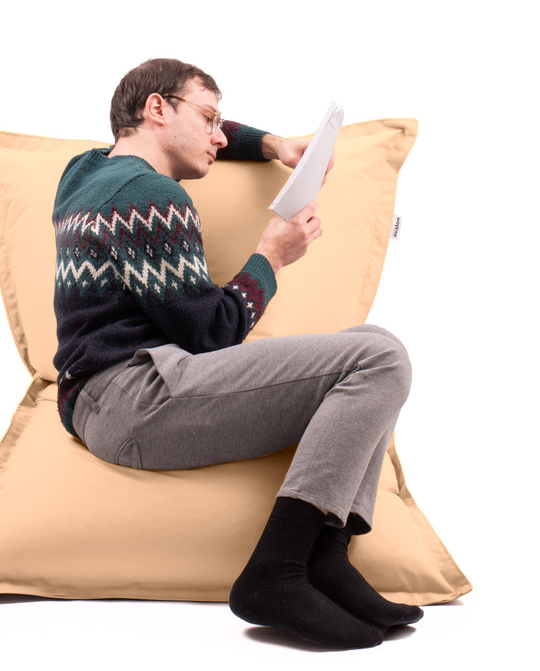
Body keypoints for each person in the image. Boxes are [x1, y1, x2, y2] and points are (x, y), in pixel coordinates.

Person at [52, 58, 423, 649]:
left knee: (374, 342)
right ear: (156, 108)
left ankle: (326, 559)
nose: (220, 136)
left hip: (104, 399)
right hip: (134, 401)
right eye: (208, 119)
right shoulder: (149, 196)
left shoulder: (84, 171)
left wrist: (273, 145)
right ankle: (276, 571)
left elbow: (209, 136)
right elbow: (212, 335)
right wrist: (271, 256)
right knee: (378, 360)